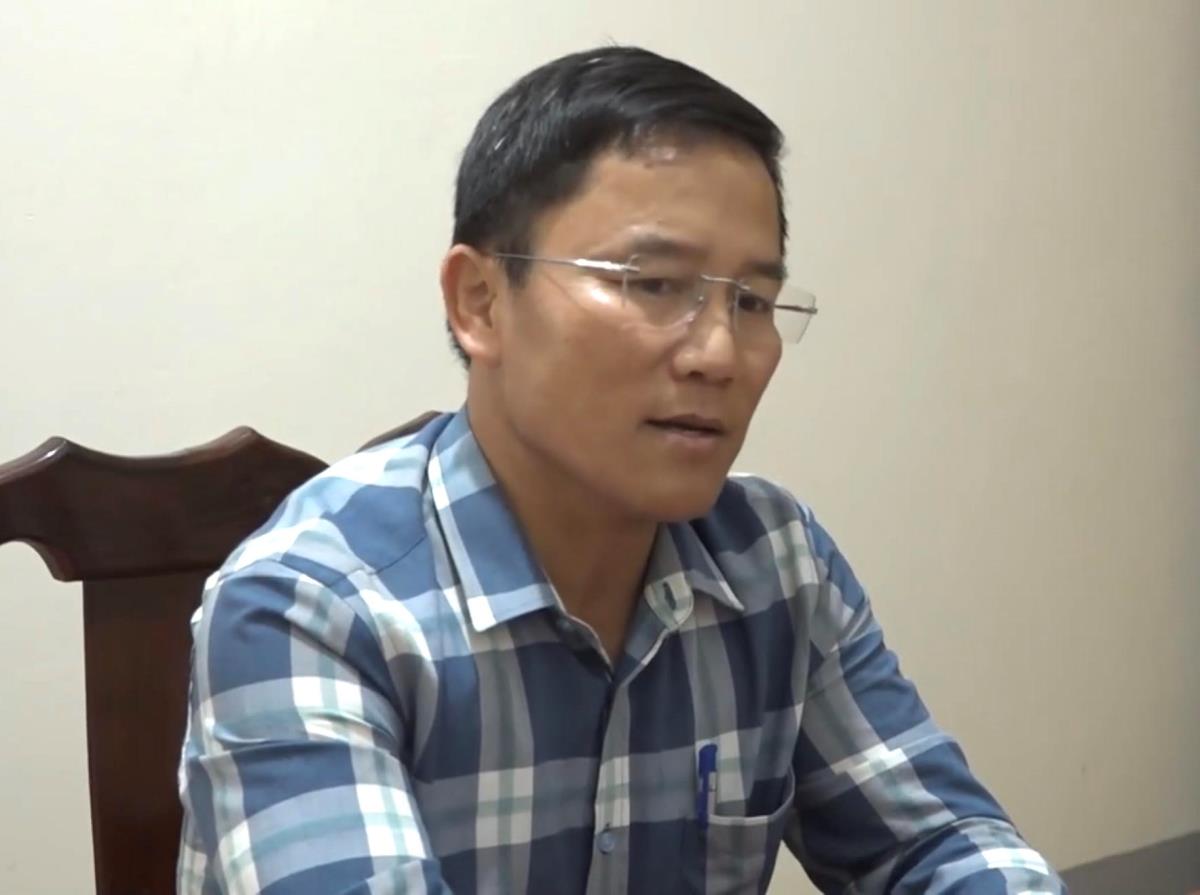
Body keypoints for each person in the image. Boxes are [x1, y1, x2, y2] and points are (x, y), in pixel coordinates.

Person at [177, 46, 1064, 894]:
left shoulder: (774, 562)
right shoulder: (308, 605)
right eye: (654, 283)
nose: (720, 353)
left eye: (752, 300)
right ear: (480, 302)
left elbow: (942, 844)